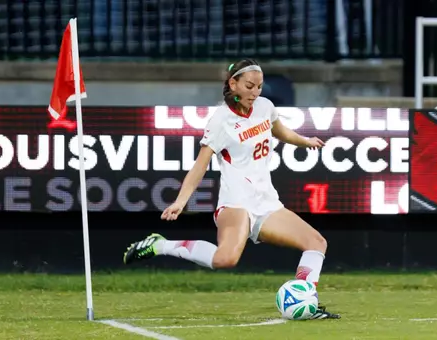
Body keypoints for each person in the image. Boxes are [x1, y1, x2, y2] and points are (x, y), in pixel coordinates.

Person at [123, 59, 340, 320]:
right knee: (225, 259)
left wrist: (304, 141)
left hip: (267, 203)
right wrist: (181, 201)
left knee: (316, 243)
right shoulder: (221, 121)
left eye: (259, 87)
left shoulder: (265, 107)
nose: (255, 92)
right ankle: (162, 245)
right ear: (233, 83)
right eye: (249, 86)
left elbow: (280, 131)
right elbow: (200, 166)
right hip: (236, 203)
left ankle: (307, 301)